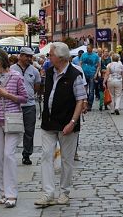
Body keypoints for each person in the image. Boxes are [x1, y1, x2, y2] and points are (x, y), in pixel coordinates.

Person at [34, 42, 86, 207]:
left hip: (67, 124)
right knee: (46, 156)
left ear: (60, 57)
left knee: (66, 160)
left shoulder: (75, 74)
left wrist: (72, 122)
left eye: (51, 54)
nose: (49, 57)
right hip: (49, 122)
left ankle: (64, 192)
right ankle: (48, 193)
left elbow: (80, 100)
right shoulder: (49, 72)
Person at [0, 49, 28, 208]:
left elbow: (25, 98)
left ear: (1, 61)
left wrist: (8, 95)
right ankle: (2, 192)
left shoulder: (16, 77)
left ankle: (12, 193)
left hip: (12, 120)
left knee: (8, 155)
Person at [10, 47, 41, 166]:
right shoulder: (12, 69)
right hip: (14, 105)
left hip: (29, 105)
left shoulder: (34, 71)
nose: (29, 58)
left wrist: (31, 94)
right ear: (20, 56)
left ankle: (26, 154)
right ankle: (10, 153)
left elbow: (37, 86)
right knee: (12, 130)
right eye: (27, 56)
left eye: (30, 56)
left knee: (29, 131)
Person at [80, 44, 100, 111]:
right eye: (87, 48)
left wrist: (96, 74)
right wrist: (80, 71)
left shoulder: (95, 56)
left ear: (92, 48)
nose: (87, 49)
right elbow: (80, 63)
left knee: (91, 90)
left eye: (89, 48)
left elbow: (98, 66)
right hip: (84, 74)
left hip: (92, 74)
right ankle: (86, 102)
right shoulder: (83, 55)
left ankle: (90, 105)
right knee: (84, 90)